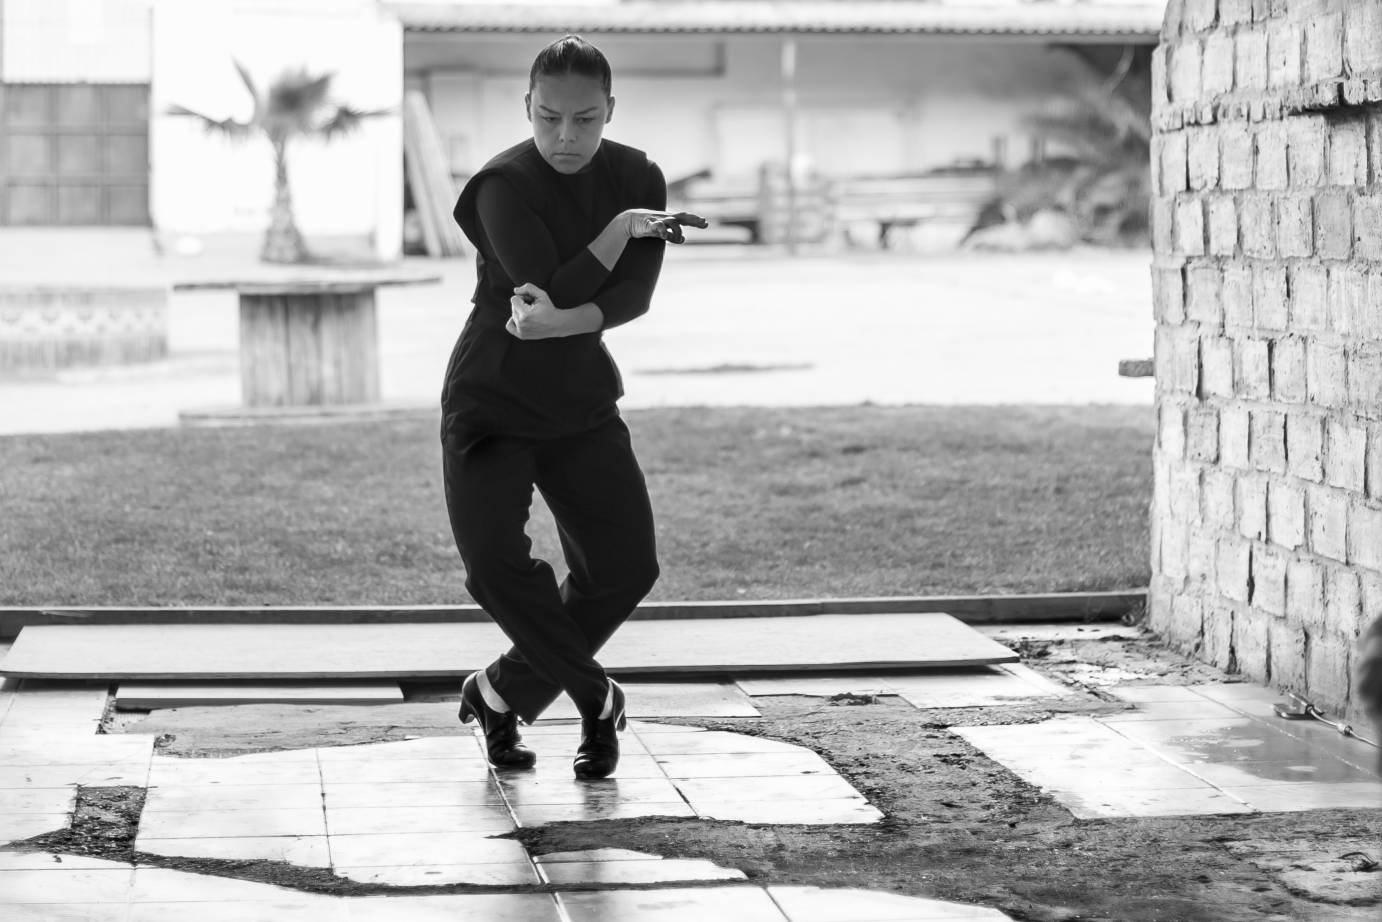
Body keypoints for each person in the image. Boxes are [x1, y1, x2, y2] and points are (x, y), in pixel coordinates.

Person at [442, 35, 706, 780]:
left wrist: (569, 320)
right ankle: (598, 698)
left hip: (579, 396)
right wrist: (619, 230)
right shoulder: (500, 185)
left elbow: (631, 296)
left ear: (609, 111)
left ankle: (501, 693)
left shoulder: (639, 174)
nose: (566, 136)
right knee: (495, 567)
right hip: (492, 398)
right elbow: (543, 285)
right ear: (527, 107)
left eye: (585, 120)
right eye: (550, 117)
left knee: (623, 566)